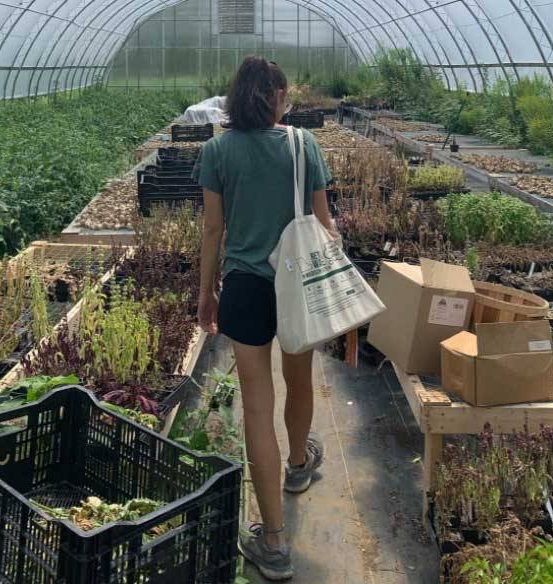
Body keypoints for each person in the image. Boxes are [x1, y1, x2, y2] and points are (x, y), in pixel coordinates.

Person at [193, 56, 335, 581]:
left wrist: (206, 293)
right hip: (296, 285)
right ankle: (299, 464)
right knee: (300, 380)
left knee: (257, 407)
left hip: (246, 288)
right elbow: (324, 223)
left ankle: (273, 541)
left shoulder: (217, 151)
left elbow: (213, 230)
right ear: (277, 97)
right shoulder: (303, 145)